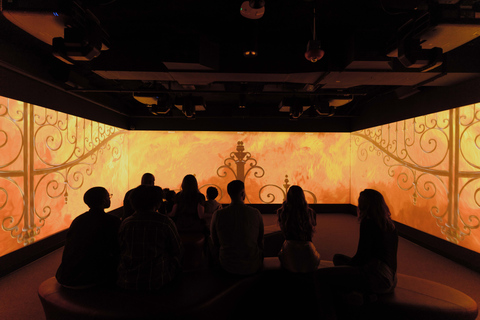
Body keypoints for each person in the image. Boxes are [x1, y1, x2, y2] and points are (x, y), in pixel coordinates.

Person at [315, 189, 398, 318]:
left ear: (366, 205)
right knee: (338, 258)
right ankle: (365, 295)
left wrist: (346, 268)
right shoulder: (390, 225)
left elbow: (361, 258)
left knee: (321, 275)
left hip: (376, 277)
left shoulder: (368, 223)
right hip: (391, 280)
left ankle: (332, 312)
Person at [117, 185, 183, 291]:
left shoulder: (126, 223)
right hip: (157, 279)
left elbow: (121, 247)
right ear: (157, 203)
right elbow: (177, 249)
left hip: (127, 280)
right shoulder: (165, 222)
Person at [56, 187, 120, 288]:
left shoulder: (78, 220)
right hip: (89, 278)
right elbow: (117, 249)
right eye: (108, 196)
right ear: (103, 201)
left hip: (66, 275)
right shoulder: (112, 221)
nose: (110, 198)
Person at [210, 180, 264, 276]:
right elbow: (260, 241)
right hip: (252, 265)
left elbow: (215, 242)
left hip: (227, 265)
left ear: (229, 194)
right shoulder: (256, 213)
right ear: (242, 193)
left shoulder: (218, 215)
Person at [277, 185, 320, 273]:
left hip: (289, 250)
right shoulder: (311, 213)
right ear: (302, 196)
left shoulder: (282, 212)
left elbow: (284, 232)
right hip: (308, 251)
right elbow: (311, 232)